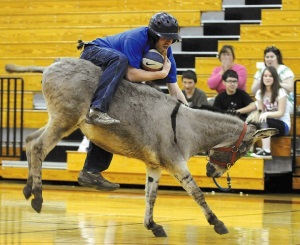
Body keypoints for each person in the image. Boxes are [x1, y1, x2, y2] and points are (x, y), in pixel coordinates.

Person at [76, 12, 188, 191]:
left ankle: (90, 171)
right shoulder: (135, 39)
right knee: (120, 59)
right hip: (94, 52)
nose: (168, 42)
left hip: (114, 71)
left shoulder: (167, 51)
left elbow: (174, 88)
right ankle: (96, 109)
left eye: (172, 39)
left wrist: (188, 113)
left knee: (114, 118)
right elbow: (130, 74)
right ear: (153, 35)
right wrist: (160, 74)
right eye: (164, 38)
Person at [251, 66, 291, 159]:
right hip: (269, 125)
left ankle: (266, 151)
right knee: (253, 122)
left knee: (264, 120)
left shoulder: (281, 92)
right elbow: (260, 112)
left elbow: (280, 113)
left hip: (283, 126)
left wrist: (267, 114)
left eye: (270, 76)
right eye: (265, 76)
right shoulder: (260, 93)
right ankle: (252, 149)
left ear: (275, 78)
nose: (267, 78)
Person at [251, 45, 295, 113]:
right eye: (267, 57)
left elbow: (290, 88)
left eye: (272, 57)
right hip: (266, 100)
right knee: (255, 105)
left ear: (277, 57)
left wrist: (275, 82)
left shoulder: (284, 70)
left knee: (273, 107)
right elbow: (253, 91)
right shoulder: (261, 71)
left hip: (283, 100)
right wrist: (262, 79)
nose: (269, 59)